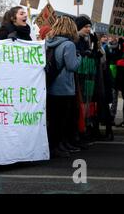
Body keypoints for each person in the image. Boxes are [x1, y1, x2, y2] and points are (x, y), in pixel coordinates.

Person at [45, 17, 82, 158]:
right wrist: (79, 57)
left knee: (54, 119)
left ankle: (55, 145)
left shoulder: (48, 43)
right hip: (64, 87)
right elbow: (72, 66)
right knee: (62, 120)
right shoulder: (69, 45)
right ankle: (57, 146)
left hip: (50, 86)